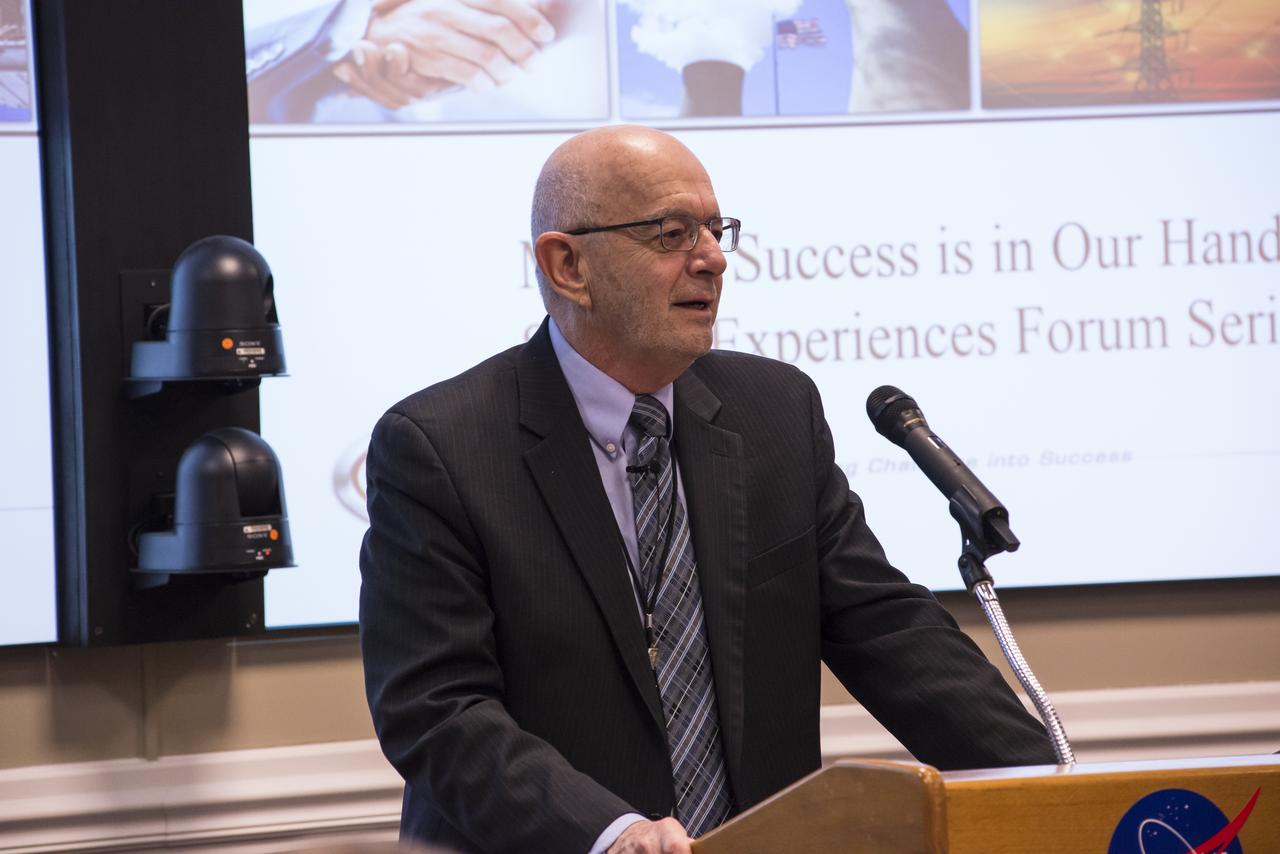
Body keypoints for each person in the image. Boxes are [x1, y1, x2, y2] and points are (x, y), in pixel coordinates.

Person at [358, 125, 1055, 854]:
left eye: (718, 231)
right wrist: (611, 832)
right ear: (568, 266)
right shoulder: (441, 447)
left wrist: (1055, 783)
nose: (715, 259)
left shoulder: (774, 411)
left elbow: (886, 629)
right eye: (672, 233)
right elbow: (438, 711)